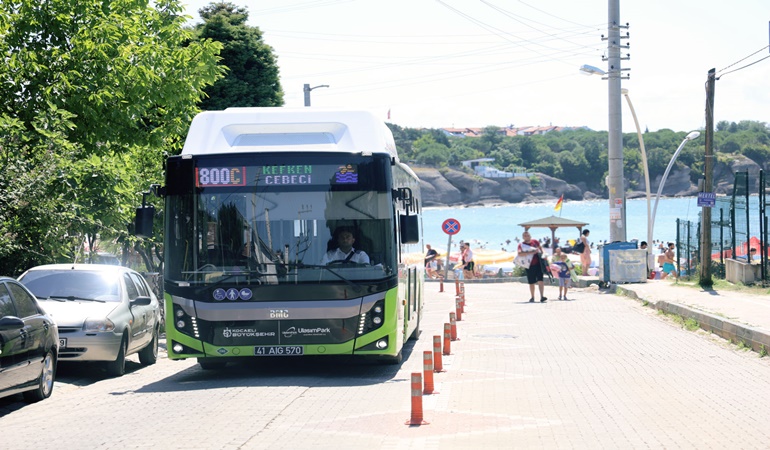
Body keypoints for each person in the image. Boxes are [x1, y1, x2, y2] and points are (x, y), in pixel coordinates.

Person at [517, 231, 547, 303]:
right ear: (523, 237)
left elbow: (541, 248)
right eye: (525, 236)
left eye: (528, 235)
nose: (527, 237)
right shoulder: (521, 245)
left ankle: (542, 296)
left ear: (530, 236)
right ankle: (532, 297)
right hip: (529, 265)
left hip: (539, 263)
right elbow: (519, 253)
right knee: (531, 282)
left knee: (540, 280)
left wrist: (544, 254)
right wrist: (531, 252)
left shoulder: (535, 241)